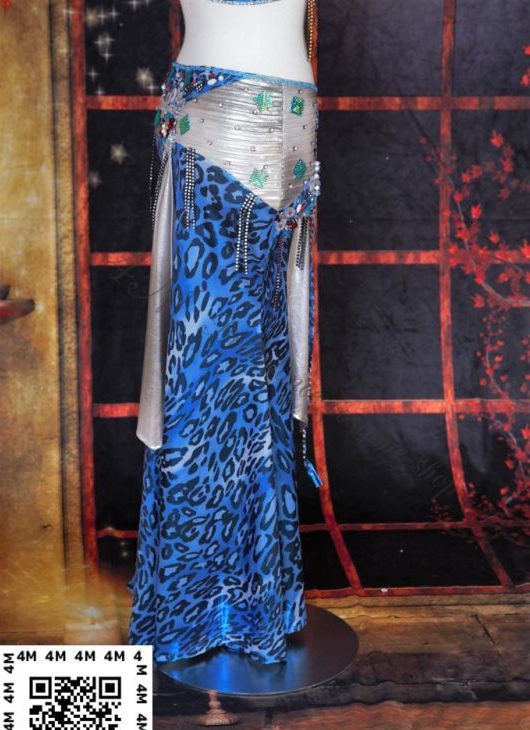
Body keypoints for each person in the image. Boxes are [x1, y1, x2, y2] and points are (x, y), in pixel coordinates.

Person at [126, 0, 322, 666]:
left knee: (244, 360)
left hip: (266, 123)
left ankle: (231, 606)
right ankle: (226, 606)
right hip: (222, 120)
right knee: (213, 366)